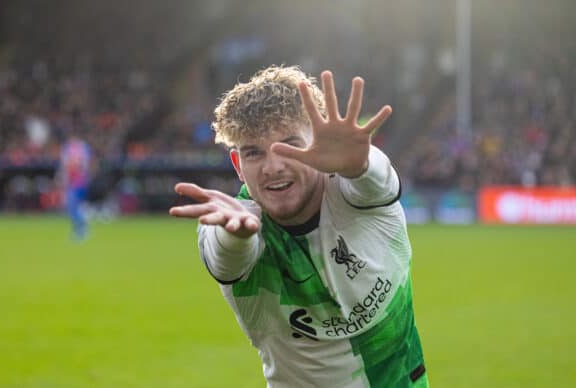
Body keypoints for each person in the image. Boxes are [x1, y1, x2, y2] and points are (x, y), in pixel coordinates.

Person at [169, 66, 428, 387]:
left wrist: (360, 161)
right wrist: (237, 235)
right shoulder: (232, 220)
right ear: (238, 165)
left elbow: (375, 178)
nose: (273, 167)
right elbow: (227, 256)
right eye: (254, 153)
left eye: (290, 145)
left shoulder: (358, 192)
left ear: (319, 145)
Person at [57, 132, 92, 241]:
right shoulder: (79, 148)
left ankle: (81, 229)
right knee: (74, 207)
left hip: (78, 182)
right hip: (74, 182)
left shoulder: (79, 149)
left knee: (74, 206)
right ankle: (80, 229)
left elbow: (78, 165)